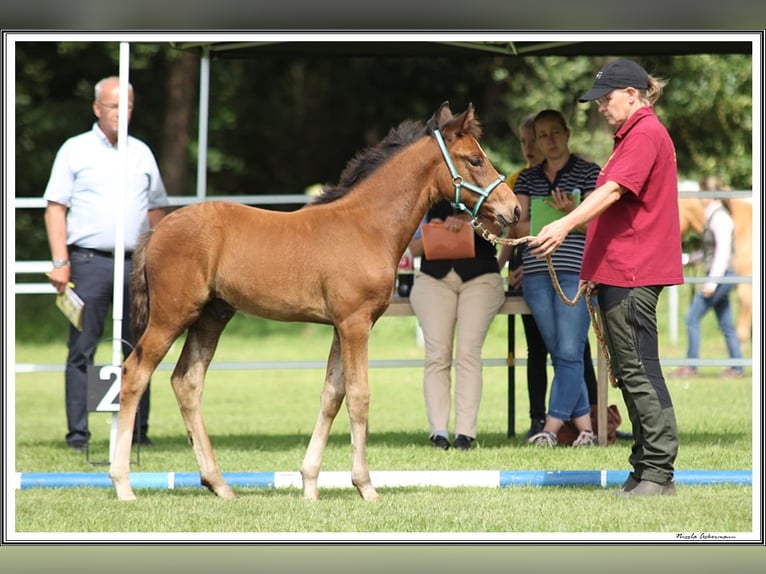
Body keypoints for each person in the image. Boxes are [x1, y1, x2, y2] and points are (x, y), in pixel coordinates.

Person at [530, 59, 682, 496]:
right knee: (630, 371)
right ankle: (645, 468)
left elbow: (613, 192)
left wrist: (561, 226)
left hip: (633, 271)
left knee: (639, 371)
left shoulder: (644, 134)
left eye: (606, 97)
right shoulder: (634, 136)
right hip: (621, 270)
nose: (600, 106)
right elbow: (614, 204)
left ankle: (658, 471)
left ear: (632, 95)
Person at [43, 76, 168, 452]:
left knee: (141, 345)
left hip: (137, 265)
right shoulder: (74, 150)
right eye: (114, 106)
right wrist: (60, 261)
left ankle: (137, 431)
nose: (121, 113)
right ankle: (79, 435)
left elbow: (157, 209)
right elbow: (55, 208)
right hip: (87, 262)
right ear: (97, 109)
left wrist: (160, 264)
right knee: (83, 347)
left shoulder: (142, 152)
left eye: (127, 106)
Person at [499, 114, 601, 440]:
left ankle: (551, 428)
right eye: (542, 135)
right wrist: (565, 215)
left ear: (567, 134)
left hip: (577, 271)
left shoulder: (589, 172)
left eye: (555, 133)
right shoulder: (528, 178)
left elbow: (597, 224)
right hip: (537, 275)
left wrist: (571, 214)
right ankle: (585, 429)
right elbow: (517, 227)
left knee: (569, 351)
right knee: (561, 353)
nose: (549, 140)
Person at [408, 199, 506, 450]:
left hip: (480, 278)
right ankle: (438, 432)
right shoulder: (427, 198)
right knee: (437, 355)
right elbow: (414, 248)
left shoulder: (483, 193)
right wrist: (437, 230)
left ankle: (465, 434)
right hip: (434, 279)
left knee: (467, 352)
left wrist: (468, 222)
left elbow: (498, 230)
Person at [671, 175, 745, 378]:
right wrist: (690, 259)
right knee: (727, 324)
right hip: (722, 275)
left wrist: (712, 283)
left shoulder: (720, 218)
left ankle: (691, 366)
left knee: (691, 318)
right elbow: (710, 251)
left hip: (721, 276)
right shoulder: (714, 216)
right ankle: (737, 367)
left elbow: (722, 254)